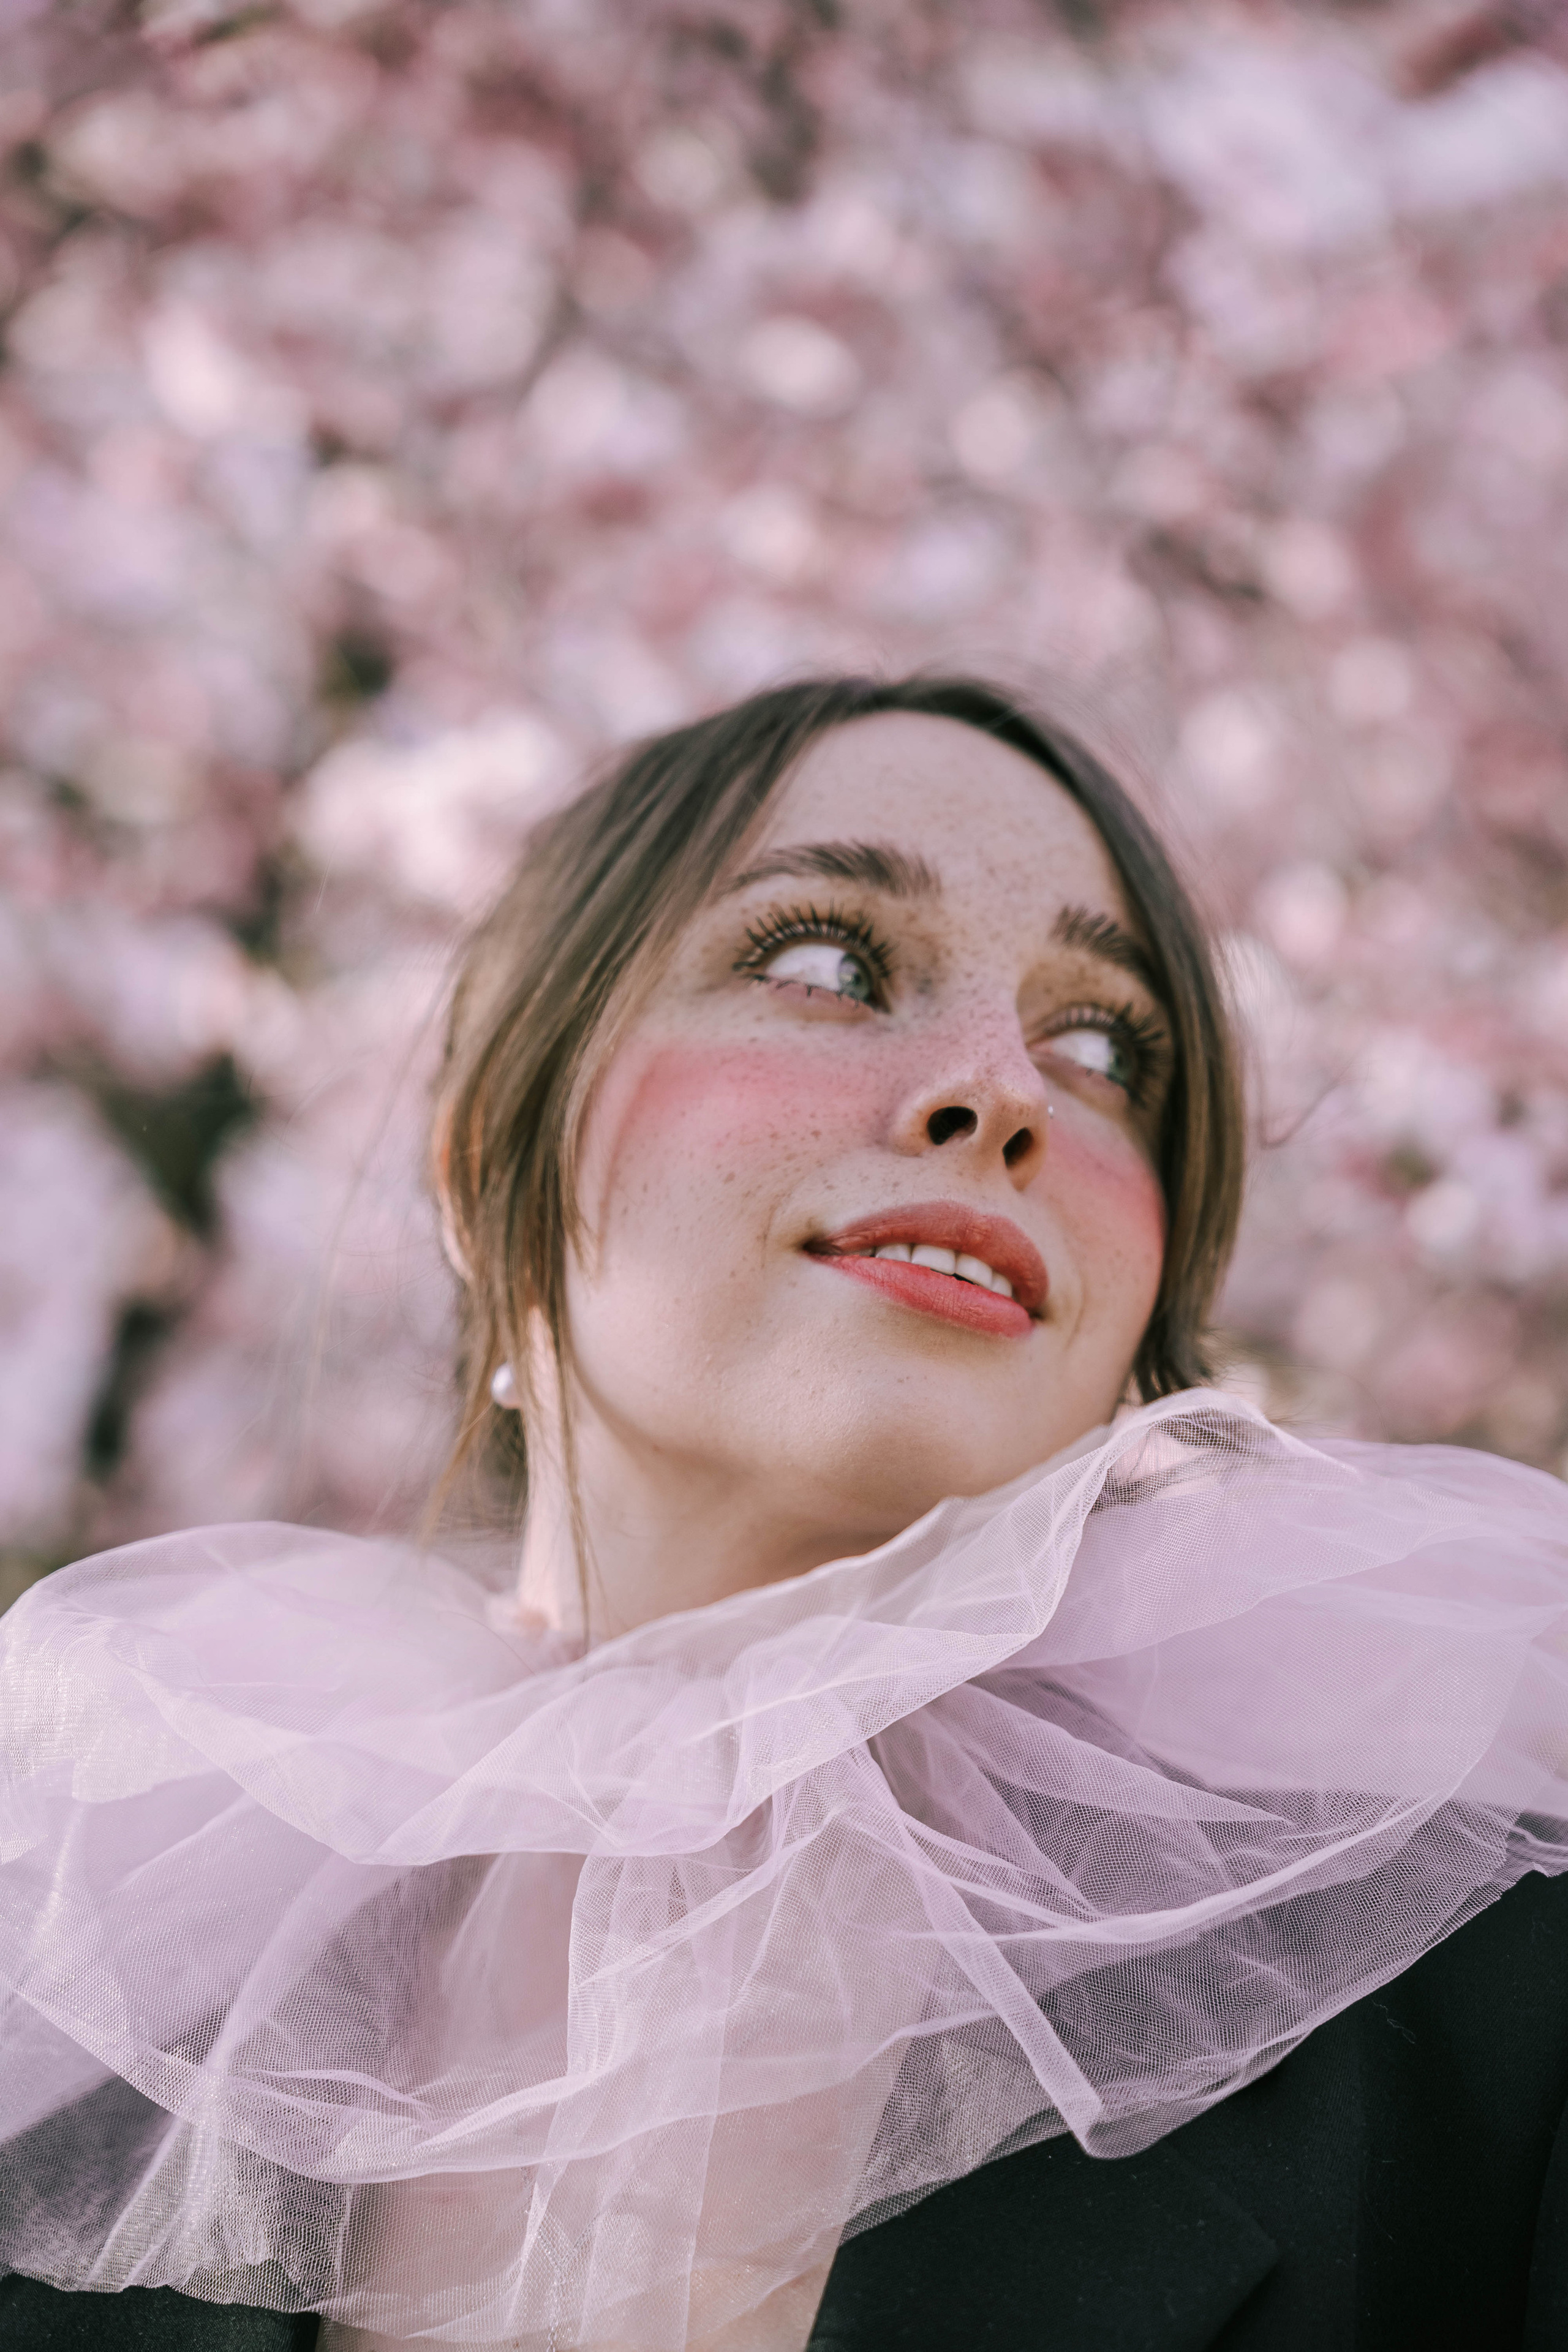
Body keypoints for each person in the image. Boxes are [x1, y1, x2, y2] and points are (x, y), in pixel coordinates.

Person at [1, 675, 1566, 2352]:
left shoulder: (1480, 2017)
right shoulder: (85, 2035)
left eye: (1105, 1045)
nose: (1002, 1089)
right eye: (826, 960)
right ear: (479, 1160)